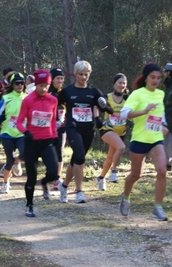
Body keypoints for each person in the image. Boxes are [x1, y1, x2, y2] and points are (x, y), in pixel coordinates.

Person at [57, 61, 113, 203]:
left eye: (86, 75)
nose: (83, 77)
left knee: (76, 159)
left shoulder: (93, 92)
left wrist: (103, 105)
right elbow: (55, 103)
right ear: (75, 75)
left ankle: (64, 187)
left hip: (88, 129)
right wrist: (57, 118)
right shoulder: (68, 91)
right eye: (80, 74)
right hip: (72, 128)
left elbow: (109, 109)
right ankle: (79, 191)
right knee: (80, 156)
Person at [119, 62, 169, 221]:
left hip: (156, 139)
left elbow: (161, 113)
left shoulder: (160, 94)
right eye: (152, 77)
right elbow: (123, 114)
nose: (155, 81)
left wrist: (164, 125)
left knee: (162, 171)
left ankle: (158, 207)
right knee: (135, 175)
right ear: (145, 78)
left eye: (158, 78)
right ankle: (126, 197)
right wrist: (144, 111)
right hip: (139, 140)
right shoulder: (137, 94)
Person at [16, 69, 58, 217]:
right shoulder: (28, 100)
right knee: (31, 177)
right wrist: (26, 132)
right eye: (40, 85)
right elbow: (19, 122)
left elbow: (52, 121)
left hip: (47, 141)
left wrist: (55, 135)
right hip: (31, 142)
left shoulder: (52, 100)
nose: (44, 89)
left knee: (53, 172)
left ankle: (45, 182)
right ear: (36, 85)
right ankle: (29, 205)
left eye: (46, 85)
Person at [0, 73, 26, 193]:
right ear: (12, 85)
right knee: (9, 161)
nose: (20, 85)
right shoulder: (6, 98)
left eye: (22, 83)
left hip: (22, 133)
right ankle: (5, 183)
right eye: (17, 83)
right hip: (7, 133)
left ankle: (17, 161)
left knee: (25, 155)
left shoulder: (27, 97)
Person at [95, 73, 129, 190]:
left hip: (121, 132)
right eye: (119, 82)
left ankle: (100, 178)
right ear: (114, 84)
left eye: (124, 83)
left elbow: (133, 113)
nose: (122, 85)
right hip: (107, 130)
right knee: (121, 147)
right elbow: (96, 106)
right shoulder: (107, 97)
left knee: (110, 157)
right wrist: (96, 119)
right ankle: (114, 172)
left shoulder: (127, 99)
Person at [48, 68, 67, 190]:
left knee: (60, 150)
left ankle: (57, 178)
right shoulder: (47, 92)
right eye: (58, 78)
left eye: (62, 78)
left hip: (62, 127)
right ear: (52, 79)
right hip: (48, 127)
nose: (60, 80)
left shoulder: (65, 92)